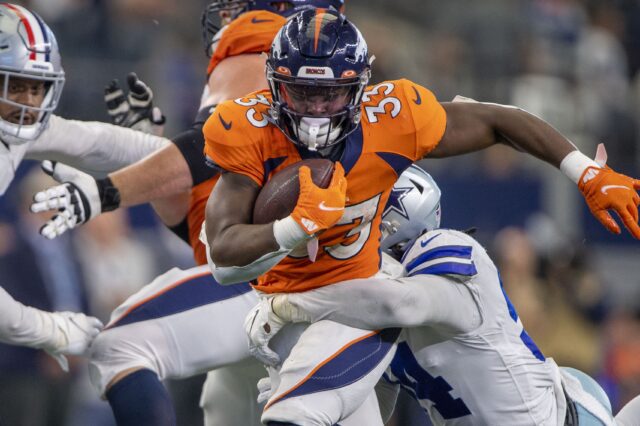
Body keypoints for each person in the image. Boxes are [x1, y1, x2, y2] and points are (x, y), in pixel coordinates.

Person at [199, 9, 640, 425]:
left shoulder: (447, 260)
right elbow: (376, 383)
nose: (315, 109)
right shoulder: (377, 318)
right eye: (302, 92)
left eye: (377, 228)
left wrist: (285, 305)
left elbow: (395, 300)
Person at [27, 2, 345, 426]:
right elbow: (198, 228)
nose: (228, 14)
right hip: (293, 281)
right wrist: (153, 147)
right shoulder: (319, 78)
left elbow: (201, 150)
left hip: (277, 282)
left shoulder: (265, 43)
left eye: (239, 5)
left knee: (121, 345)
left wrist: (103, 193)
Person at [251, 164, 640, 425]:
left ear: (393, 223)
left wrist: (289, 304)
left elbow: (401, 302)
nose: (344, 238)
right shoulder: (375, 306)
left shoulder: (441, 252)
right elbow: (373, 403)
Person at [0, 2, 178, 372]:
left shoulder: (19, 129)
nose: (28, 103)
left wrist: (170, 153)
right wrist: (49, 328)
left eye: (38, 88)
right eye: (15, 86)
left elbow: (91, 141)